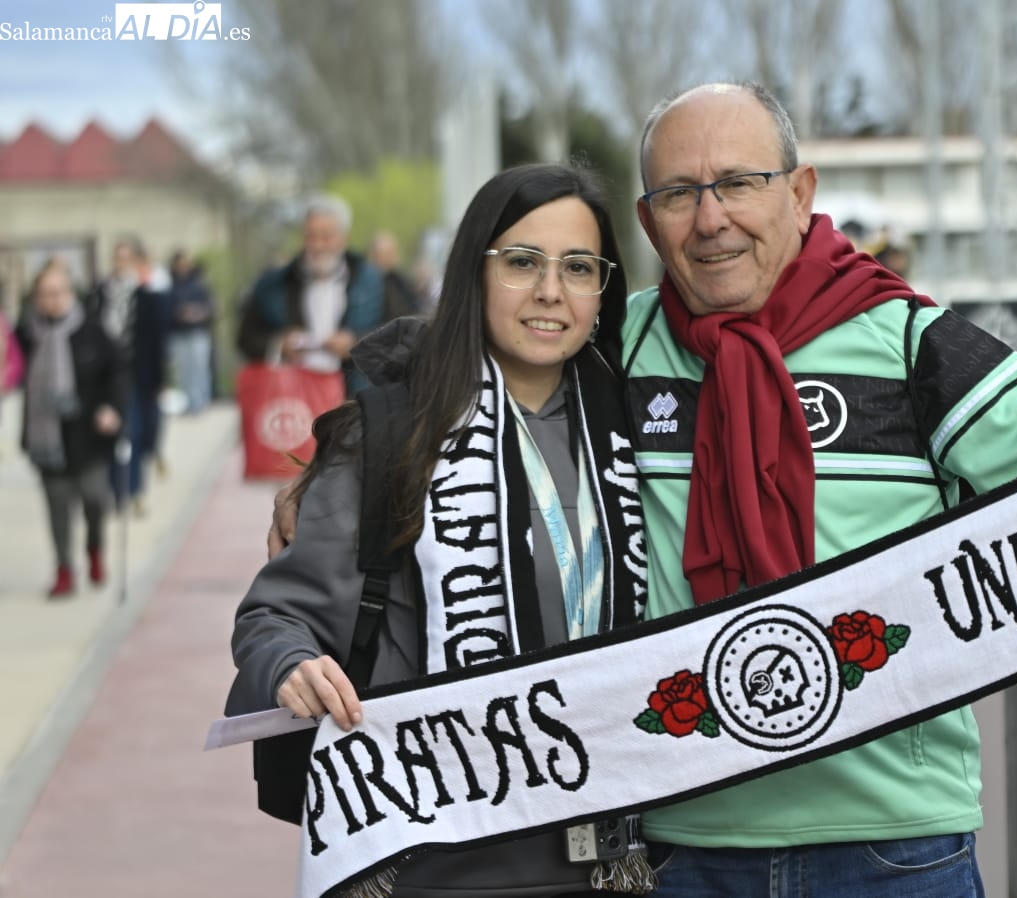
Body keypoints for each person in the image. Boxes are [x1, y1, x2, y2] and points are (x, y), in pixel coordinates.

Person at [271, 83, 1017, 897]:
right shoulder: (618, 345)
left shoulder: (912, 340)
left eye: (738, 184)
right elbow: (467, 347)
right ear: (648, 221)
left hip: (891, 843)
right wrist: (340, 452)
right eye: (679, 193)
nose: (710, 218)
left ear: (800, 193)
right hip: (681, 845)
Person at [228, 163, 648, 897]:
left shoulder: (640, 428)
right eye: (522, 263)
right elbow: (274, 617)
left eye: (578, 267)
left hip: (613, 858)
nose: (551, 292)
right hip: (437, 855)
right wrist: (292, 663)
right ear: (472, 272)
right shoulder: (391, 434)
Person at [15, 260, 127, 597]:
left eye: (58, 292)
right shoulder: (26, 335)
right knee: (57, 507)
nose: (52, 300)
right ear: (36, 297)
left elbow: (118, 372)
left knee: (95, 499)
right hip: (46, 436)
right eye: (45, 294)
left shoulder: (92, 330)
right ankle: (64, 568)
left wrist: (112, 408)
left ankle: (94, 548)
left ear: (70, 292)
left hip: (88, 433)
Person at [236, 194, 385, 397]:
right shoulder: (273, 285)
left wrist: (355, 342)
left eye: (326, 236)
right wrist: (279, 344)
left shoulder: (372, 280)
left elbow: (399, 334)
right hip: (294, 398)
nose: (317, 245)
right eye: (310, 236)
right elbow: (246, 338)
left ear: (344, 238)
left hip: (354, 400)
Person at [87, 236, 170, 514]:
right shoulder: (99, 294)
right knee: (109, 432)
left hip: (136, 374)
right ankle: (115, 489)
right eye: (117, 258)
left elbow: (157, 342)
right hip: (103, 376)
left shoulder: (147, 297)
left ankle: (132, 490)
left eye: (127, 259)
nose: (121, 264)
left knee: (133, 432)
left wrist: (159, 379)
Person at [166, 250, 216, 414]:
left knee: (199, 367)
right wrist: (179, 313)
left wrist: (197, 313)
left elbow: (210, 307)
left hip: (197, 332)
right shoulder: (170, 286)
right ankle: (188, 401)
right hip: (179, 332)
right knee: (184, 370)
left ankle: (201, 401)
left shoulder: (198, 284)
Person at [369, 230, 423, 321]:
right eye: (383, 254)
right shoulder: (366, 283)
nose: (387, 258)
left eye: (390, 253)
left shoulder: (401, 282)